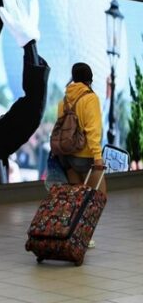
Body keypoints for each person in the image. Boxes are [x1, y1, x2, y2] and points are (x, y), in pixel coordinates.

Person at [56, 62, 106, 248]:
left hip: (67, 157)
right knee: (98, 198)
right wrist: (98, 156)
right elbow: (93, 131)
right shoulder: (90, 98)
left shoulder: (64, 99)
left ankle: (73, 235)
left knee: (76, 200)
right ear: (89, 79)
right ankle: (84, 236)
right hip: (86, 158)